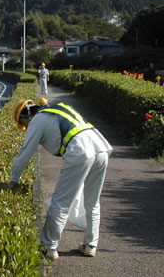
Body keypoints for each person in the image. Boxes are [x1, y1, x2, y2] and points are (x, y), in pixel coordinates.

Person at [7, 99, 112, 260]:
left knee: (61, 202)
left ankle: (49, 247)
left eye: (23, 123)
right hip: (101, 148)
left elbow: (25, 152)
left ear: (26, 114)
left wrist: (14, 180)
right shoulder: (57, 109)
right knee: (93, 202)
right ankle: (91, 245)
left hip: (80, 152)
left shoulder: (38, 120)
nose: (25, 127)